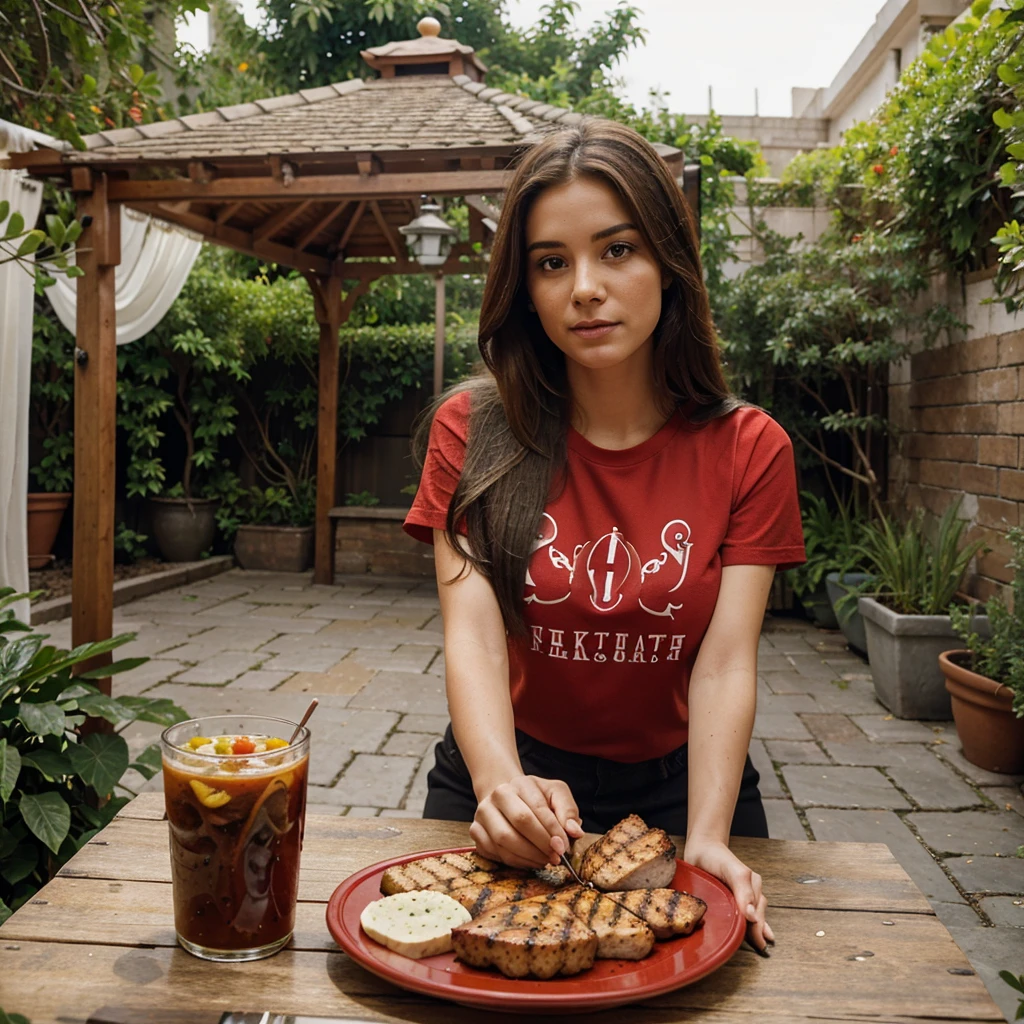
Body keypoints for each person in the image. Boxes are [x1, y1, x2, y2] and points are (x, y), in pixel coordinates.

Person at [402, 119, 805, 955]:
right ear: (526, 288)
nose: (585, 286)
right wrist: (499, 784)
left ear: (669, 264)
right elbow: (472, 634)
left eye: (616, 250)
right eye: (552, 262)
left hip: (679, 789)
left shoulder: (750, 448)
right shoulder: (470, 430)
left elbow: (727, 660)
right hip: (511, 771)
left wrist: (708, 833)